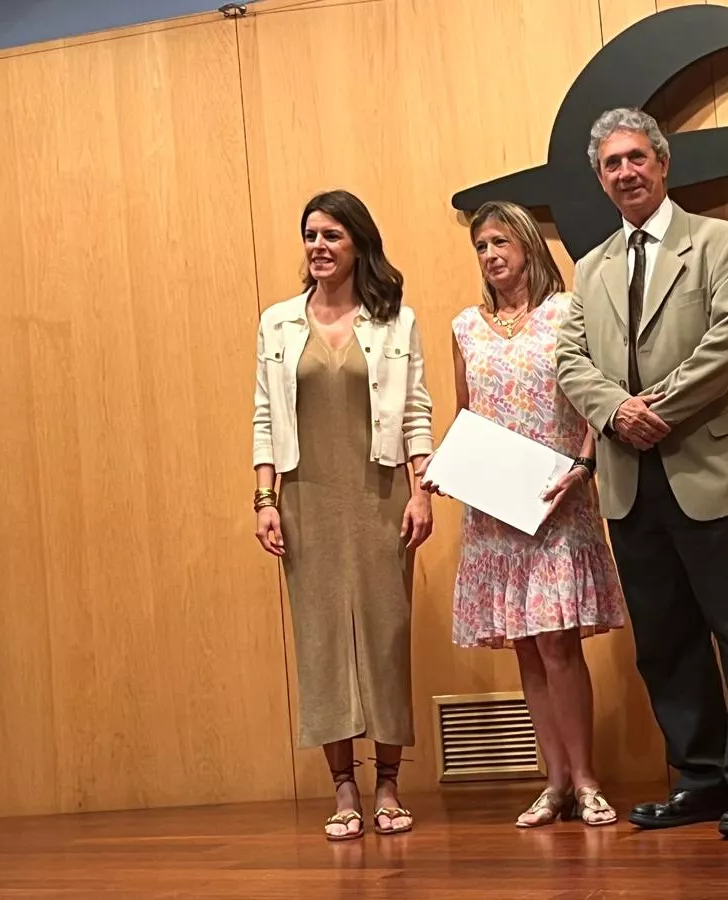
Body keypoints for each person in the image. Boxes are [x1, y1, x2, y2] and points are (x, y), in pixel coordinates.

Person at [554, 107, 728, 838]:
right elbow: (569, 360)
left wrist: (652, 408)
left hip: (705, 463)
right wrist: (616, 413)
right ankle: (700, 779)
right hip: (629, 478)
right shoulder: (589, 267)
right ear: (600, 180)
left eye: (637, 158)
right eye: (612, 164)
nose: (626, 172)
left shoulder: (721, 242)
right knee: (664, 637)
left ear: (662, 163)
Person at [424, 200, 627, 828]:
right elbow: (466, 414)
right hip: (495, 510)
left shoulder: (566, 312)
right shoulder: (465, 326)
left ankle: (586, 779)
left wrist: (584, 465)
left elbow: (596, 399)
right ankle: (555, 781)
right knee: (527, 649)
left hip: (556, 499)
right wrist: (447, 467)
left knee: (558, 642)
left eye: (500, 241)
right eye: (481, 246)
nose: (490, 255)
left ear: (528, 245)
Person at [250, 189, 435, 841]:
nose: (319, 246)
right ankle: (344, 789)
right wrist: (265, 499)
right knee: (322, 638)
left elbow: (416, 411)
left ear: (358, 243)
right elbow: (264, 415)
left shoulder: (395, 321)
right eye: (311, 235)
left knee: (385, 636)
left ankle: (388, 783)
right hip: (306, 497)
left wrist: (421, 491)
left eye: (331, 235)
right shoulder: (278, 322)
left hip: (380, 494)